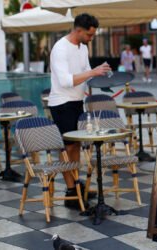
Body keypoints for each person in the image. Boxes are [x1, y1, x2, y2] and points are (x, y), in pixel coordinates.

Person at [48, 13, 111, 209]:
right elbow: (66, 81)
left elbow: (87, 74)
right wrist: (93, 72)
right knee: (68, 148)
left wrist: (104, 77)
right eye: (89, 35)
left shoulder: (82, 47)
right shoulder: (60, 48)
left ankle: (75, 184)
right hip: (61, 103)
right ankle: (70, 191)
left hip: (77, 102)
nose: (91, 39)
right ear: (78, 30)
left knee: (76, 147)